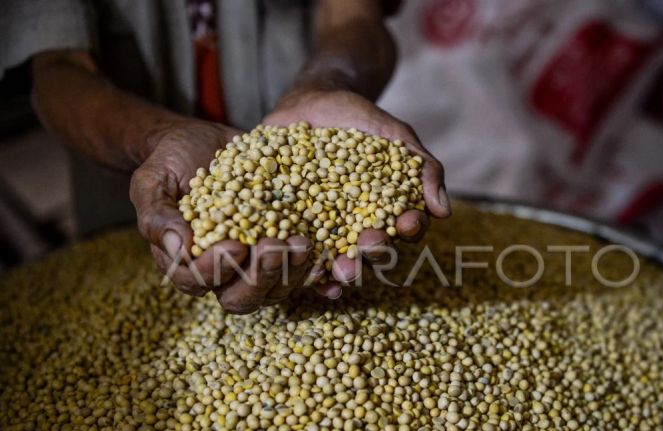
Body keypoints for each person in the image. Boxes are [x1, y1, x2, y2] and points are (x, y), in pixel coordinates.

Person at [0, 0, 450, 313]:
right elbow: (57, 74)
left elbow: (356, 18)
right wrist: (159, 137)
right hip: (124, 227)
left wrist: (327, 80)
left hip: (324, 264)